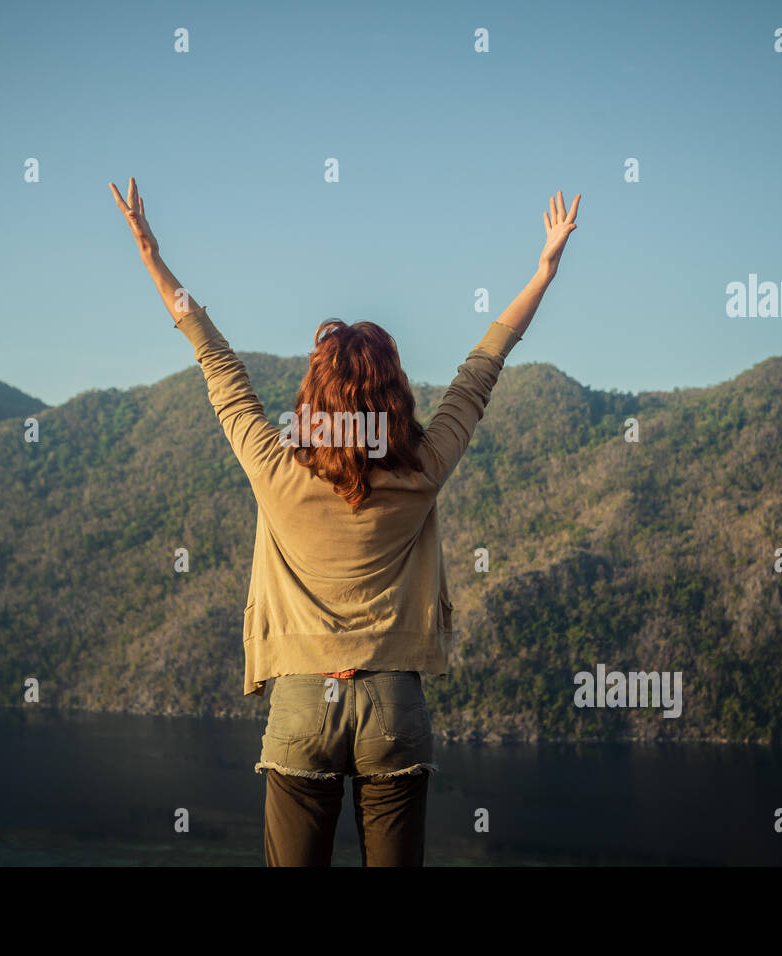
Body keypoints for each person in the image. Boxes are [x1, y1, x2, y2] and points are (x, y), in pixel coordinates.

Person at [109, 177, 580, 866]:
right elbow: (483, 368)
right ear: (394, 391)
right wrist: (543, 271)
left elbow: (216, 359)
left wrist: (153, 258)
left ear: (314, 394)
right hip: (394, 704)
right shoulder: (421, 471)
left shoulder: (275, 469)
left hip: (302, 705)